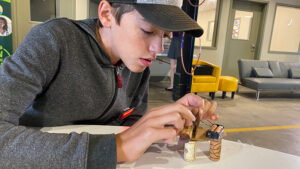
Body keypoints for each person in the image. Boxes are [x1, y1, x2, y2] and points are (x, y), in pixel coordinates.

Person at [0, 0, 218, 168]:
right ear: (106, 14)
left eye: (166, 35)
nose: (157, 48)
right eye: (148, 31)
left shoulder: (137, 65)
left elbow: (130, 125)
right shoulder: (53, 40)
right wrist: (115, 148)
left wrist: (168, 124)